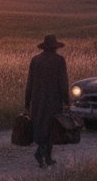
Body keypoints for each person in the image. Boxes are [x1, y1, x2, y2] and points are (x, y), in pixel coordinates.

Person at [24, 34, 70, 167]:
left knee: (40, 127)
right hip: (53, 100)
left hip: (37, 99)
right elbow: (63, 83)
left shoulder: (35, 60)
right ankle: (41, 153)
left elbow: (30, 83)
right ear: (55, 47)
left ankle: (47, 157)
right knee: (51, 128)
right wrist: (67, 101)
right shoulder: (59, 60)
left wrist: (27, 102)